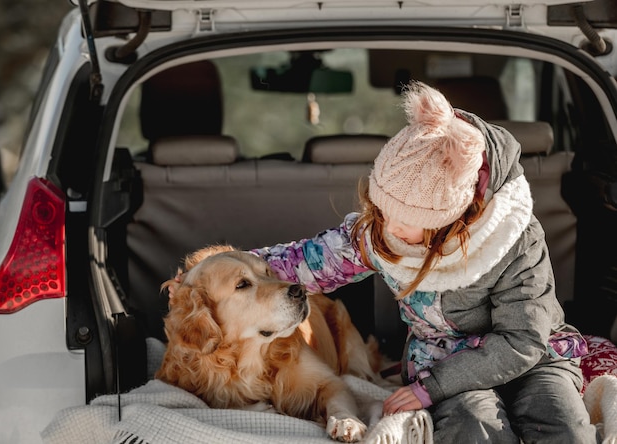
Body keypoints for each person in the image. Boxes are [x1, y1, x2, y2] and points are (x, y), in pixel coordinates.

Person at [247, 81, 598, 443]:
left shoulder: (514, 237)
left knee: (565, 427)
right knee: (474, 429)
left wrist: (427, 391)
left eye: (405, 219)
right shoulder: (381, 230)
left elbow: (522, 339)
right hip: (443, 362)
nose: (389, 226)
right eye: (383, 209)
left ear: (450, 217)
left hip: (534, 360)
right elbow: (308, 262)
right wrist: (238, 265)